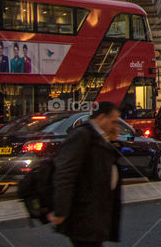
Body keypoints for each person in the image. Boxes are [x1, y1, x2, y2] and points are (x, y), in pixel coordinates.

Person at [50, 101, 123, 246]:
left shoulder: (100, 137)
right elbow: (65, 174)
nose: (116, 126)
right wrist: (60, 211)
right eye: (113, 121)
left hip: (96, 213)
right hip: (83, 214)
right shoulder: (82, 136)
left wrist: (113, 141)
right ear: (101, 118)